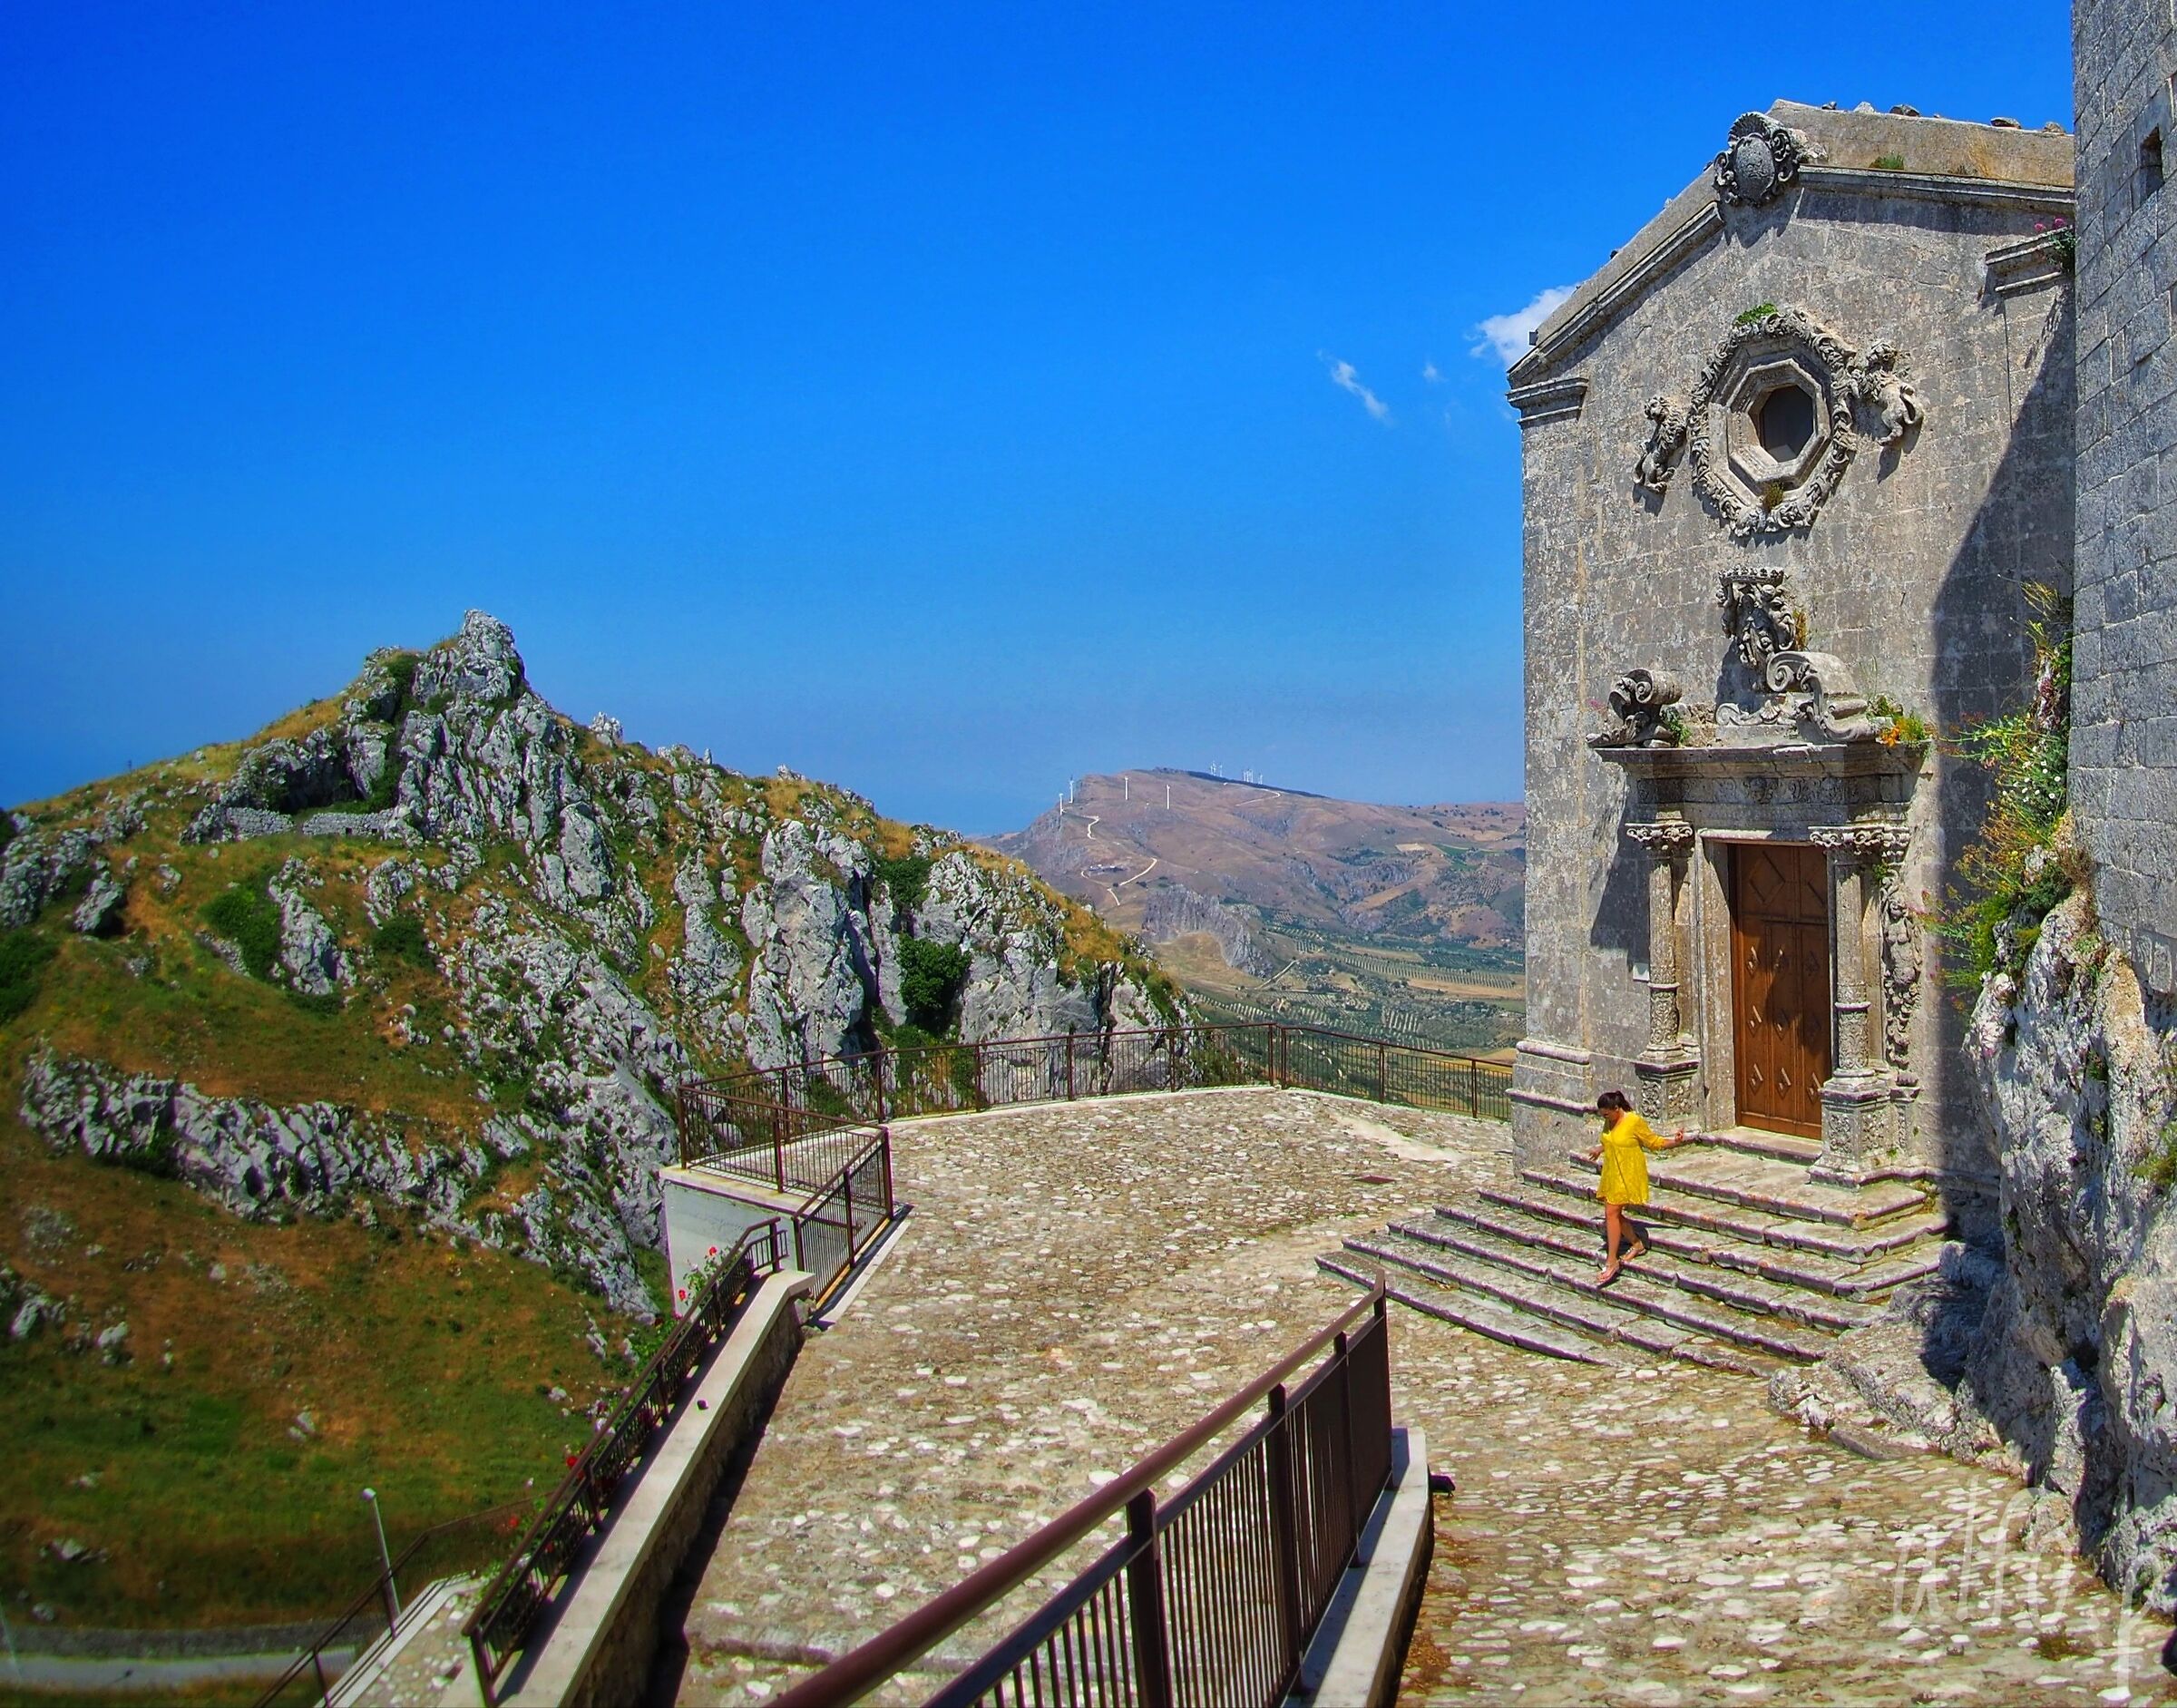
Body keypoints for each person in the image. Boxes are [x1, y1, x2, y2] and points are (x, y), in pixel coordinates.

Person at [1581, 1090, 1693, 1285]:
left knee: (1611, 1212)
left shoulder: (1634, 1121)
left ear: (1617, 1108)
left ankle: (1611, 1261)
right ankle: (1636, 1244)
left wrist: (1675, 1142)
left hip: (1628, 1173)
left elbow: (1654, 1142)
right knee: (1614, 1214)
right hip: (1612, 1173)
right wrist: (1600, 1149)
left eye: (1606, 1114)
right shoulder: (1610, 1121)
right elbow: (1612, 1139)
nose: (1604, 1118)